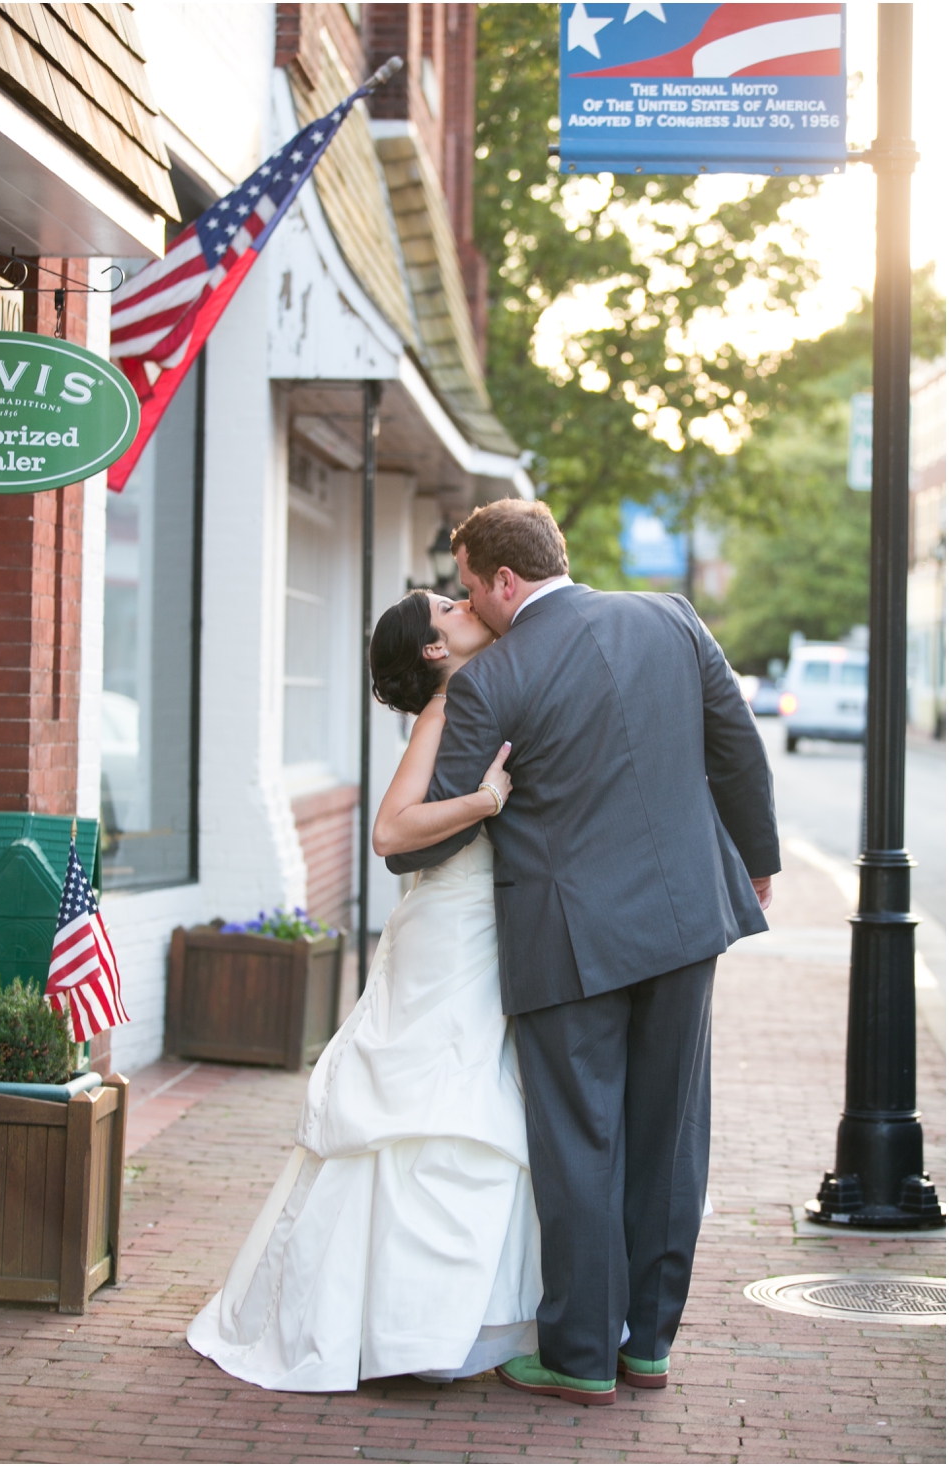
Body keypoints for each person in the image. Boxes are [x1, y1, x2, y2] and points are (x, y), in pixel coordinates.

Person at [384, 499, 779, 1407]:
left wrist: (484, 801)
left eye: (472, 588)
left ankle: (581, 1353)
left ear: (506, 580)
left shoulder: (490, 681)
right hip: (685, 922)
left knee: (581, 1143)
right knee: (670, 1137)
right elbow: (737, 750)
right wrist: (757, 864)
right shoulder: (671, 617)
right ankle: (650, 1346)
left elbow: (420, 840)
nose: (469, 603)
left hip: (569, 941)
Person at [187, 588, 545, 1391]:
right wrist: (487, 800)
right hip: (451, 931)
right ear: (432, 648)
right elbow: (389, 830)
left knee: (473, 1100)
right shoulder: (444, 713)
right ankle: (395, 1322)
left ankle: (445, 1317)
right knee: (427, 1098)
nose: (463, 603)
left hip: (484, 925)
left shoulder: (489, 693)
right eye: (447, 604)